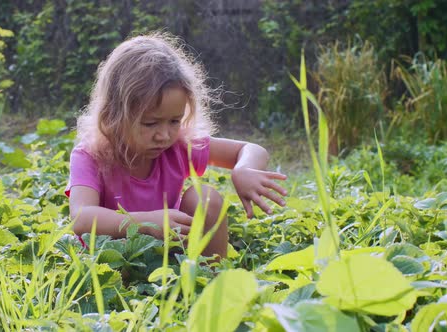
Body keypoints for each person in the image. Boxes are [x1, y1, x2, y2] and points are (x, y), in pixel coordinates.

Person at [66, 32, 287, 258]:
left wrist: (244, 169)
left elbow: (250, 149)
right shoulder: (91, 155)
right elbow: (81, 217)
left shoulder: (178, 145)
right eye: (150, 123)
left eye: (174, 121)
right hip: (110, 259)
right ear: (114, 114)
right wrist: (144, 222)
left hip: (165, 255)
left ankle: (209, 279)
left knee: (204, 199)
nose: (164, 135)